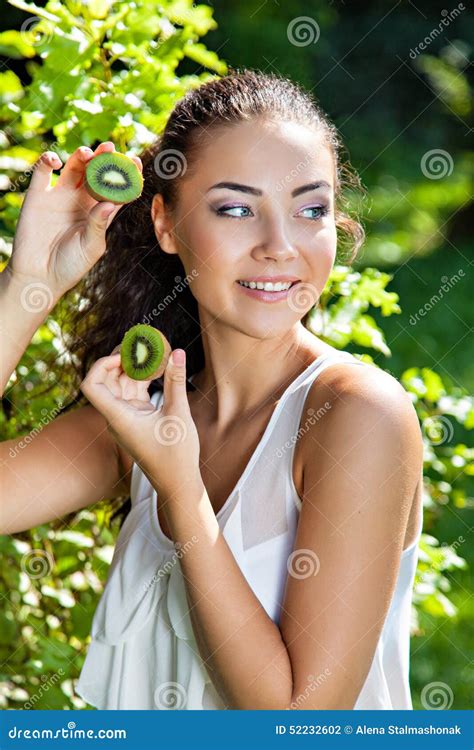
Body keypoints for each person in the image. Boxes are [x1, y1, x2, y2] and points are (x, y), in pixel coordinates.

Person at [0, 69, 423, 710]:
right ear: (166, 225)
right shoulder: (147, 420)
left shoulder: (358, 414)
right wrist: (31, 281)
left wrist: (183, 493)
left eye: (311, 209)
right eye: (236, 209)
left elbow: (297, 721)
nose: (280, 247)